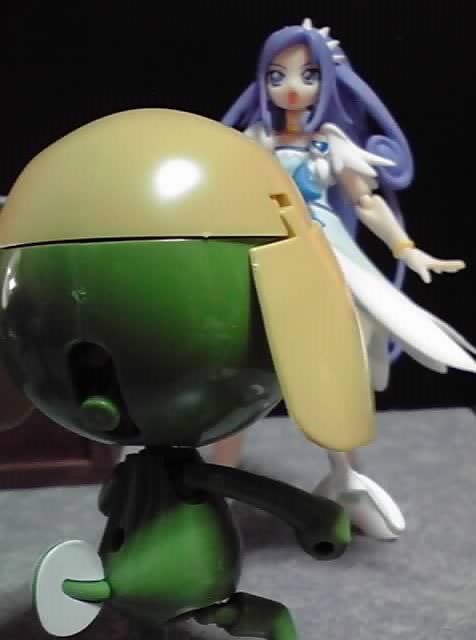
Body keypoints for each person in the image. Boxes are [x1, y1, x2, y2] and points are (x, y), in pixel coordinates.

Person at [215, 18, 476, 540]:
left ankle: (346, 478)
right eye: (277, 75)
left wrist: (406, 248)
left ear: (326, 81)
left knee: (340, 360)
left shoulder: (330, 144)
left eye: (307, 74)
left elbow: (366, 201)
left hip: (324, 250)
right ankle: (217, 484)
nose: (292, 87)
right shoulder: (256, 140)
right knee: (242, 364)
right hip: (265, 250)